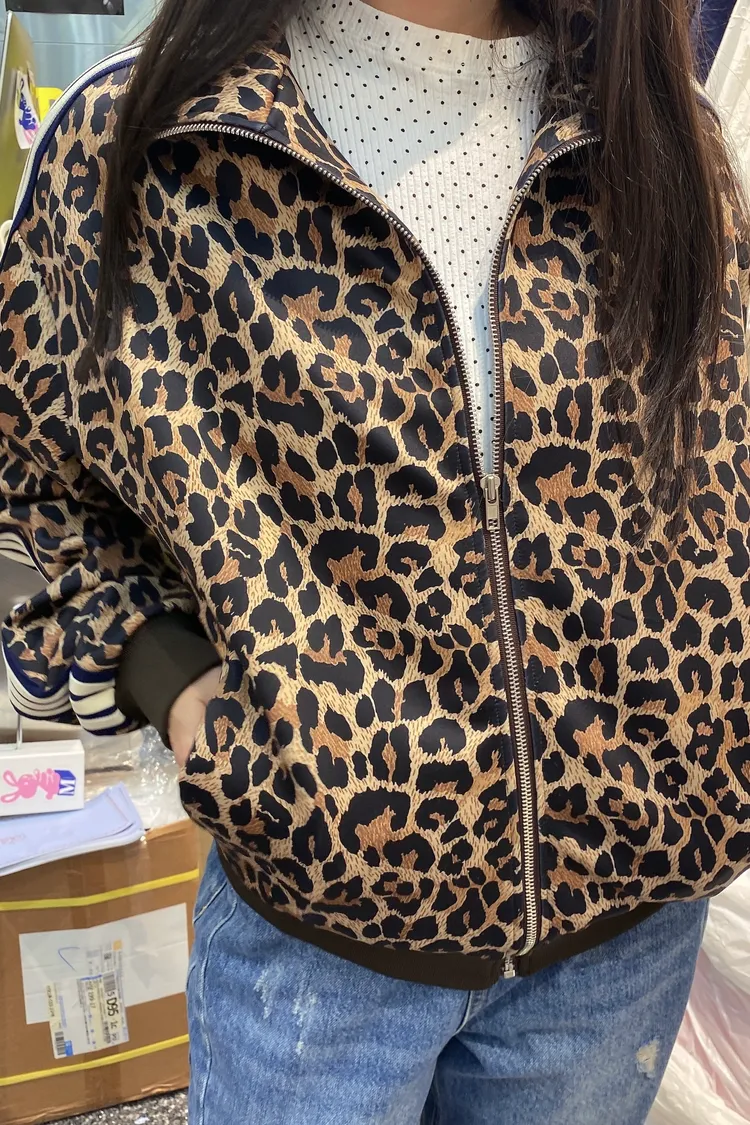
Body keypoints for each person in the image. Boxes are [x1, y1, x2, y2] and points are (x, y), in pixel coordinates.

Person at [0, 0, 747, 1120]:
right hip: (322, 952)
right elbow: (35, 486)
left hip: (622, 943)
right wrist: (173, 679)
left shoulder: (657, 128)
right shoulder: (148, 142)